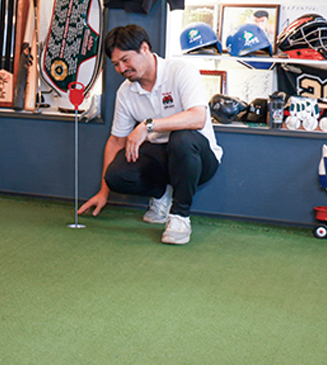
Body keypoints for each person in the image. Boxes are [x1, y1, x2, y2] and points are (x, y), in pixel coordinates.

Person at [78, 25, 222, 245]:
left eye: (125, 60)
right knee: (116, 175)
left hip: (199, 158)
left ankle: (180, 217)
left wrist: (148, 126)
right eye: (116, 64)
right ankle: (161, 195)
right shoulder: (125, 92)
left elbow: (197, 118)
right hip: (161, 159)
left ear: (144, 48)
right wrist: (104, 191)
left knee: (182, 139)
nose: (121, 68)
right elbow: (116, 141)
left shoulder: (181, 71)